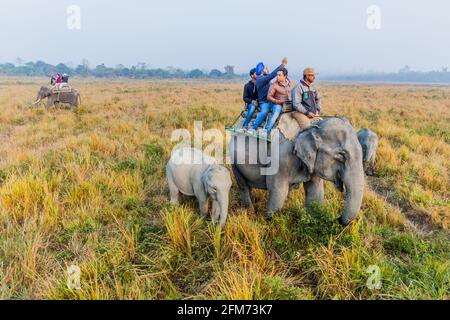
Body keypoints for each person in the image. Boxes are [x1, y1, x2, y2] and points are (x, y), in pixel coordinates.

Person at [248, 57, 288, 137]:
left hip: (271, 101)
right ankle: (253, 128)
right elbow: (272, 75)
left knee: (277, 110)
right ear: (262, 70)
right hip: (264, 102)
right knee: (264, 112)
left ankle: (267, 129)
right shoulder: (261, 79)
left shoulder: (264, 79)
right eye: (266, 68)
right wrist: (282, 65)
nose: (267, 69)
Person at [265, 68, 292, 133]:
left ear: (285, 76)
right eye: (277, 75)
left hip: (287, 104)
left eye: (279, 75)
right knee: (276, 114)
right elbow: (268, 97)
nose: (277, 77)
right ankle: (266, 131)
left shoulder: (289, 84)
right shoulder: (274, 85)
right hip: (277, 104)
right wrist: (278, 101)